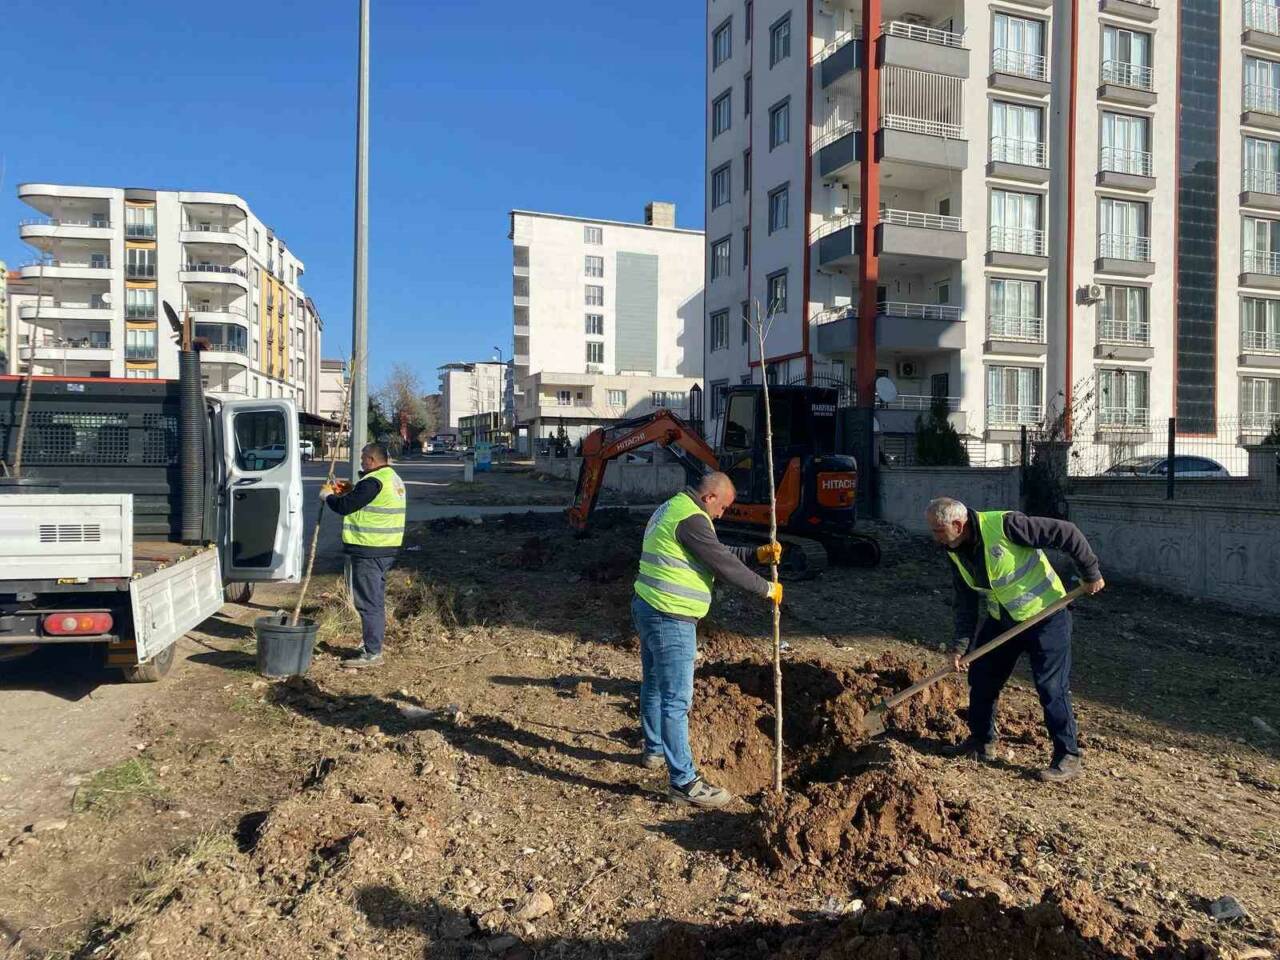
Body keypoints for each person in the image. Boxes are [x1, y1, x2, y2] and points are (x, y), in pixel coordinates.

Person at [925, 496, 1105, 784]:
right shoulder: (953, 549)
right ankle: (981, 742)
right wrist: (961, 647)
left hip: (1046, 616)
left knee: (1051, 687)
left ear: (958, 525)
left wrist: (1090, 572)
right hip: (1004, 621)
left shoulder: (1006, 525)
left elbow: (1066, 532)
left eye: (937, 530)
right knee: (982, 676)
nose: (935, 538)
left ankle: (1068, 756)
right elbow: (965, 602)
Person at [633, 472, 784, 808]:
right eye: (724, 507)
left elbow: (714, 551)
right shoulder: (691, 517)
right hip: (671, 616)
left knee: (655, 684)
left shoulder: (675, 508)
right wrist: (767, 589)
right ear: (710, 497)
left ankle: (655, 750)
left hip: (649, 606)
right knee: (676, 699)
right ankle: (684, 783)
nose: (723, 514)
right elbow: (722, 565)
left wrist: (755, 555)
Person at [321, 442, 406, 668]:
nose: (360, 462)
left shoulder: (373, 481)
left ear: (371, 460)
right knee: (374, 600)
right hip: (384, 549)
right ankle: (372, 644)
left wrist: (328, 496)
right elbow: (360, 496)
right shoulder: (391, 478)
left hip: (370, 549)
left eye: (362, 459)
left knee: (368, 603)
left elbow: (345, 506)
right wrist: (344, 488)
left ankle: (372, 652)